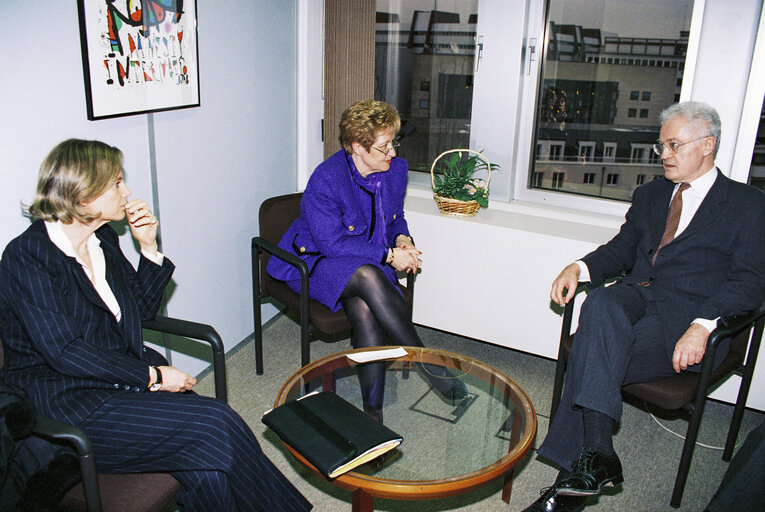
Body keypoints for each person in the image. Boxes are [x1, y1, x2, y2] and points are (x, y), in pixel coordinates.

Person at [0, 139, 312, 512]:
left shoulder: (101, 238)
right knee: (215, 423)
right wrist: (152, 376)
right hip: (69, 402)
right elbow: (66, 351)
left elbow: (138, 313)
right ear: (83, 197)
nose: (127, 191)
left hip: (116, 382)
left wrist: (147, 248)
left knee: (207, 468)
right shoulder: (28, 257)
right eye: (116, 183)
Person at [524, 101, 765, 512]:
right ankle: (599, 454)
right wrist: (578, 267)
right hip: (636, 297)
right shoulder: (650, 194)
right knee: (601, 300)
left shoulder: (747, 204)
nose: (664, 154)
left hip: (690, 318)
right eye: (661, 146)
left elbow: (751, 282)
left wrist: (705, 325)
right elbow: (622, 249)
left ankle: (570, 487)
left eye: (673, 145)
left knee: (590, 353)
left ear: (707, 145)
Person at [267, 100, 467, 422]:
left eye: (393, 143)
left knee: (363, 308)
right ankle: (428, 363)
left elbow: (395, 218)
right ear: (358, 147)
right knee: (368, 277)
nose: (393, 153)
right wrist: (389, 255)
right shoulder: (327, 179)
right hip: (317, 260)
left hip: (365, 260)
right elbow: (331, 243)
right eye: (384, 146)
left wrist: (403, 240)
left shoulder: (395, 170)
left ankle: (372, 412)